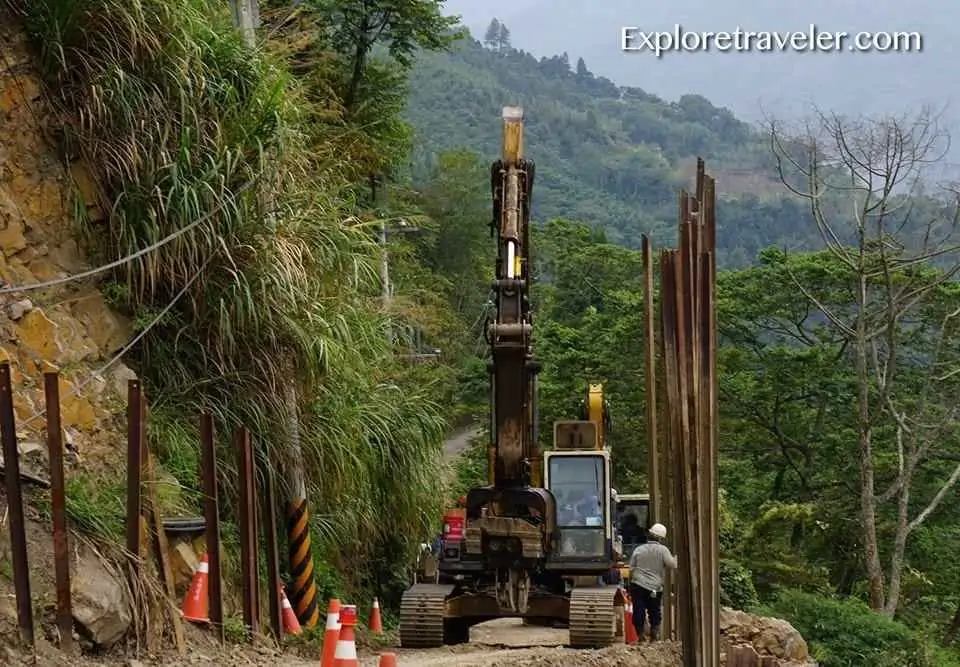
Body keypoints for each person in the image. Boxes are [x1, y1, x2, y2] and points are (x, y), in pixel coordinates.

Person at [628, 522, 676, 641]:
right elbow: (672, 564)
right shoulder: (663, 550)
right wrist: (676, 558)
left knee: (638, 610)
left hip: (638, 585)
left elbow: (631, 568)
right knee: (654, 611)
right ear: (660, 538)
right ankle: (654, 636)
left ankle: (641, 636)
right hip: (655, 587)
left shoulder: (639, 549)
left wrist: (631, 582)